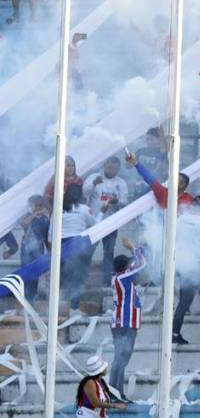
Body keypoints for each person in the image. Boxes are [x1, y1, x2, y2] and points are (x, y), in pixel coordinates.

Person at [109, 238, 146, 398]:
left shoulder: (117, 278)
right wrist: (133, 247)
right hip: (126, 321)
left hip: (120, 321)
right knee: (122, 357)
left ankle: (116, 391)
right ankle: (114, 391)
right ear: (125, 267)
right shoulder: (123, 277)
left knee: (120, 357)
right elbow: (143, 264)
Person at [84, 156, 128, 284]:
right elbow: (84, 193)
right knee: (88, 249)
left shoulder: (121, 183)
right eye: (109, 167)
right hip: (94, 221)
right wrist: (93, 185)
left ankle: (106, 281)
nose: (111, 170)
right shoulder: (94, 177)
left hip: (111, 222)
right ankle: (82, 277)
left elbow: (125, 202)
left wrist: (117, 202)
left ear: (118, 170)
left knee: (109, 251)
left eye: (115, 169)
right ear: (104, 165)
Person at [55, 184, 96, 314]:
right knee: (77, 278)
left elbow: (51, 231)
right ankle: (73, 308)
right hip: (78, 244)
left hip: (61, 244)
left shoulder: (58, 209)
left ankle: (59, 307)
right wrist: (102, 212)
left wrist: (52, 250)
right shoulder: (84, 209)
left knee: (64, 277)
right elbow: (96, 225)